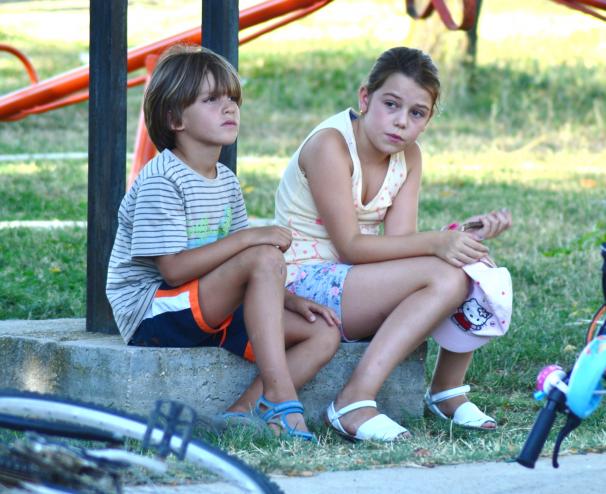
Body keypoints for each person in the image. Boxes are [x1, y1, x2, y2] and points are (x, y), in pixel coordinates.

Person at [274, 46, 513, 442]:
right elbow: (351, 246)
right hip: (303, 285)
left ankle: (447, 391)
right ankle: (353, 400)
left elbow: (401, 243)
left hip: (355, 280)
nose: (401, 121)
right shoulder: (330, 146)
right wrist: (436, 243)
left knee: (475, 267)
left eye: (417, 113)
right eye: (391, 104)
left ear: (428, 120)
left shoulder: (408, 156)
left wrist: (459, 236)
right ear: (365, 98)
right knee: (446, 277)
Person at [106, 45, 341, 442]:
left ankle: (241, 413)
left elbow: (248, 267)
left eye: (232, 98)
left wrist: (288, 299)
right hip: (153, 310)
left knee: (322, 332)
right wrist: (249, 238)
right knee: (261, 253)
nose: (229, 107)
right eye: (211, 99)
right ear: (174, 118)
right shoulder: (163, 179)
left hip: (208, 305)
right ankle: (282, 400)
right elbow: (173, 270)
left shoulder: (226, 180)